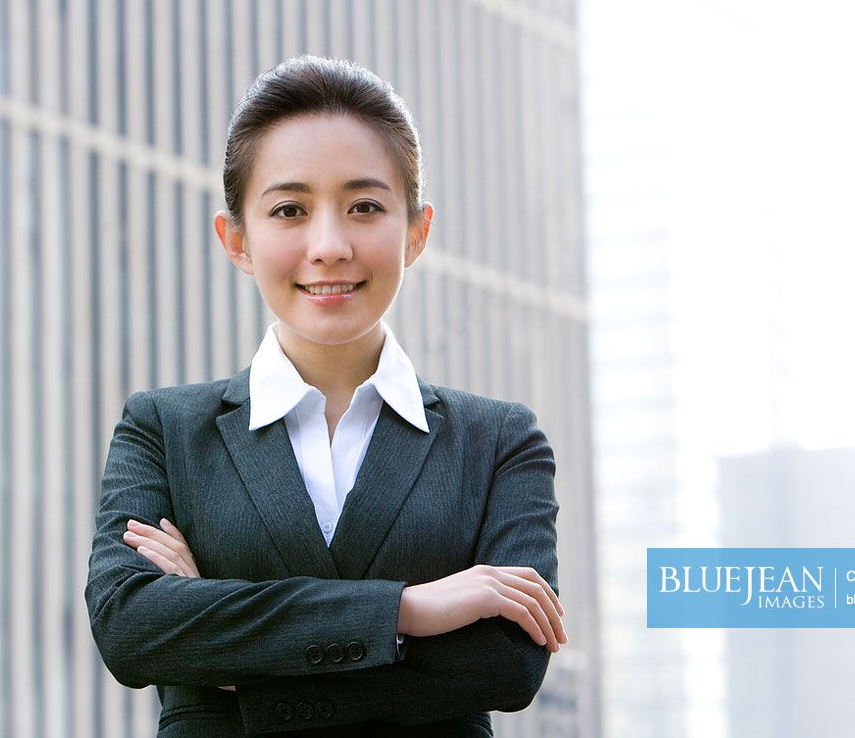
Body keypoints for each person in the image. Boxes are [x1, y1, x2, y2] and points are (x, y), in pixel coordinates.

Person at [84, 55, 565, 737]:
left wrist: (224, 651)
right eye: (290, 210)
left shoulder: (497, 442)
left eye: (365, 206)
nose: (329, 245)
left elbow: (505, 665)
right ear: (238, 240)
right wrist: (409, 610)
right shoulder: (164, 431)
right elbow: (130, 628)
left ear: (416, 231)